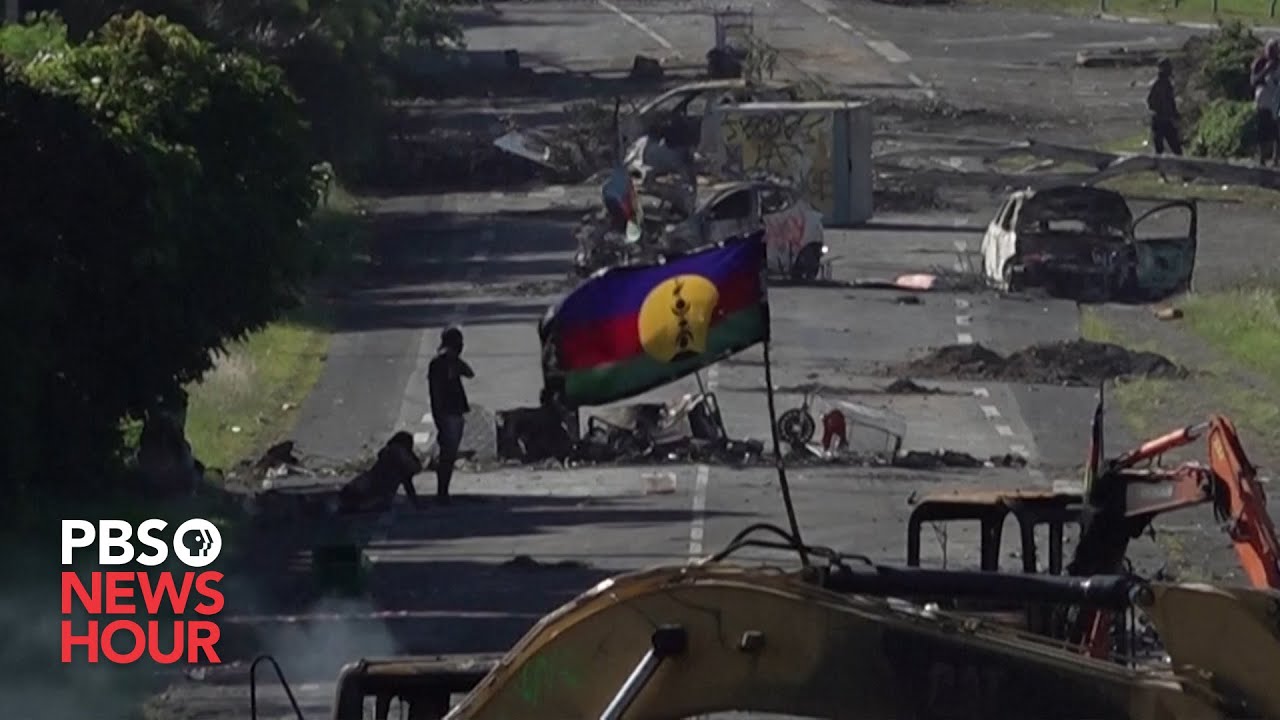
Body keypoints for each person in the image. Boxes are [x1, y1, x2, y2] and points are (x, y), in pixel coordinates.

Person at [428, 326, 473, 504]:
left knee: (450, 454)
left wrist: (455, 360)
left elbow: (469, 373)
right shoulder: (438, 364)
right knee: (447, 455)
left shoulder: (453, 362)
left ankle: (444, 492)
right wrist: (438, 416)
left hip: (455, 412)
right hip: (447, 414)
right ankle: (442, 493)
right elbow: (436, 392)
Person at [337, 431, 423, 514]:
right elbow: (414, 470)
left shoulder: (387, 453)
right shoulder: (399, 456)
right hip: (371, 494)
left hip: (359, 486)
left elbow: (409, 480)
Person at [1146, 57, 1183, 159]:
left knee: (1176, 147)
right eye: (1168, 68)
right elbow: (1150, 102)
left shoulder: (1167, 83)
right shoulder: (1157, 84)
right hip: (1159, 120)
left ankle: (1184, 172)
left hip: (1166, 120)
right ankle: (1161, 173)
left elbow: (1171, 102)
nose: (1170, 70)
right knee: (1160, 150)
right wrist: (1162, 111)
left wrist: (1175, 114)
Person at [1251, 39, 1280, 166]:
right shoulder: (1260, 63)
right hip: (1263, 101)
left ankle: (1276, 158)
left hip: (1276, 100)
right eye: (1270, 50)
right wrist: (1266, 70)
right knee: (1262, 131)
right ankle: (1262, 158)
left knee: (1277, 131)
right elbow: (1253, 81)